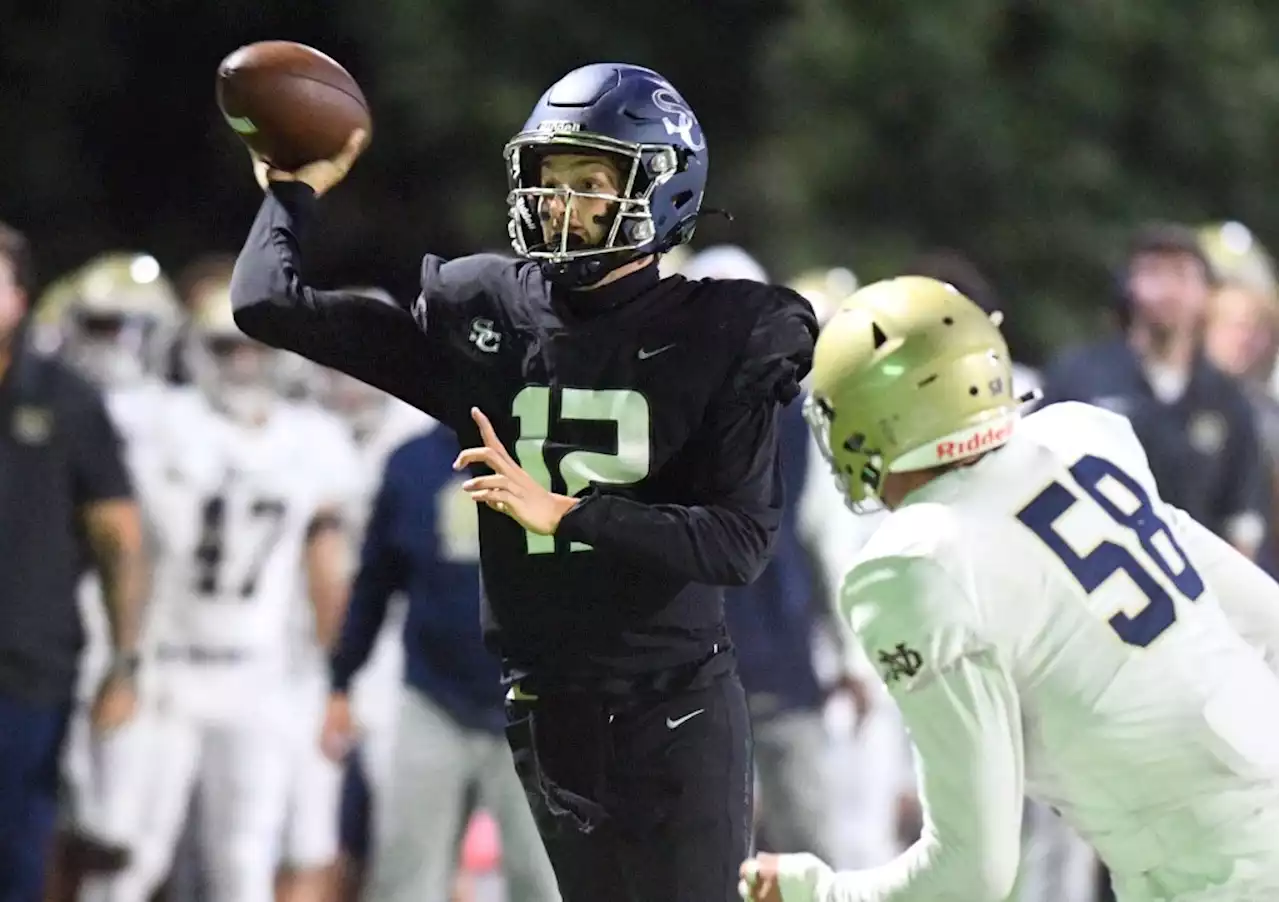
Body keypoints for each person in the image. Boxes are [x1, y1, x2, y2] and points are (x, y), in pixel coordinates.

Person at [229, 62, 818, 902]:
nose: (561, 204)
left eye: (591, 181)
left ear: (662, 189)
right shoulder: (488, 310)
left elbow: (740, 543)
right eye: (549, 180)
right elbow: (266, 304)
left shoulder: (723, 329)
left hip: (673, 704)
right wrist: (291, 189)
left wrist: (571, 513)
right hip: (544, 703)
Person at [740, 276, 1280, 902]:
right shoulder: (1082, 438)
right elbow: (1266, 619)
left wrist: (817, 891)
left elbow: (971, 874)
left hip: (1219, 876)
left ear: (873, 419)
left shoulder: (916, 561)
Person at [99, 289, 361, 902]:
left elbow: (325, 568)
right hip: (165, 671)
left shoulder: (311, 438)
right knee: (128, 856)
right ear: (196, 351)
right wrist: (124, 662)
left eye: (256, 347)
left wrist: (338, 678)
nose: (243, 362)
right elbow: (125, 546)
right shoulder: (159, 421)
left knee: (245, 861)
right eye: (226, 346)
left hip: (260, 676)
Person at [323, 424, 559, 902]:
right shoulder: (412, 463)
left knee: (546, 882)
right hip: (434, 699)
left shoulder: (555, 455)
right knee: (405, 879)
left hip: (539, 709)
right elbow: (376, 580)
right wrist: (342, 680)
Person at [0, 222, 146, 902]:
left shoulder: (67, 398)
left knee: (20, 843)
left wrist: (124, 663)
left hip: (27, 661)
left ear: (21, 298)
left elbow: (120, 535)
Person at [1038, 222, 1268, 561]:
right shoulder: (1080, 376)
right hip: (1090, 574)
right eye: (1153, 272)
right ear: (1128, 283)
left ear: (1206, 292)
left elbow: (1242, 521)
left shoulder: (1228, 401)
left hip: (1192, 587)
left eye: (1182, 274)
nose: (1168, 290)